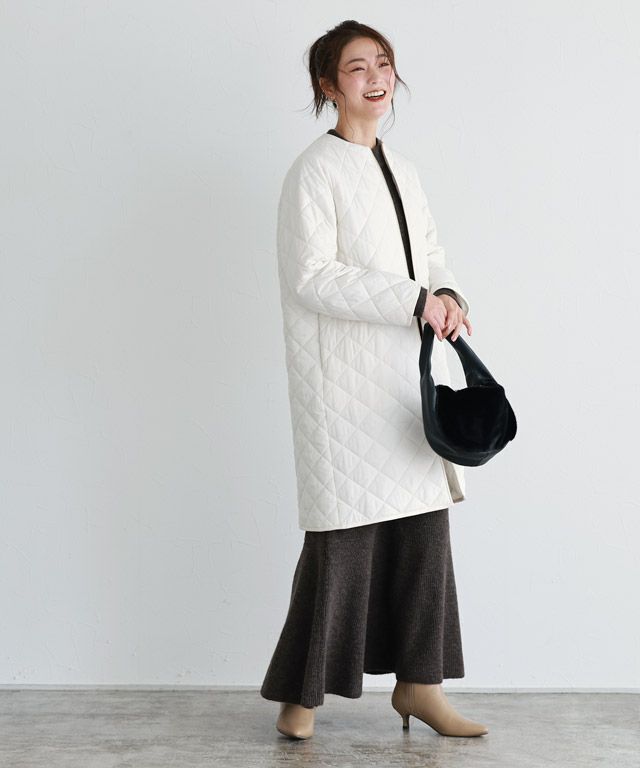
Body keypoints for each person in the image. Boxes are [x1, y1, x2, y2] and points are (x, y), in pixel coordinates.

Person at [260, 20, 488, 740]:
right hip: (342, 387)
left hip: (405, 385)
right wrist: (411, 299)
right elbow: (311, 277)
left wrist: (446, 293)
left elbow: (430, 254)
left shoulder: (404, 169)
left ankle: (421, 686)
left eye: (383, 63)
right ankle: (301, 699)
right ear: (328, 85)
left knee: (424, 533)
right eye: (357, 67)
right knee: (342, 540)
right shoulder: (313, 171)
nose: (376, 77)